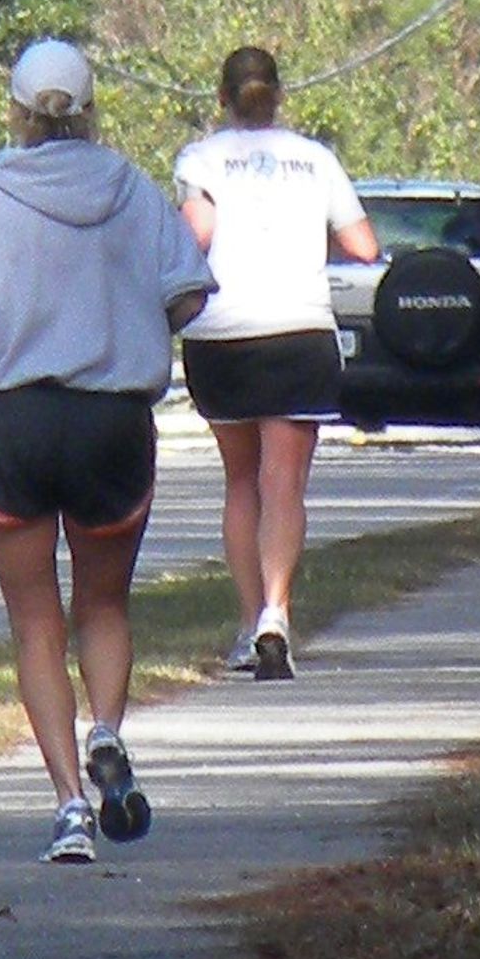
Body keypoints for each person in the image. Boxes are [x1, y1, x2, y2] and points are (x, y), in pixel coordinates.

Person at [0, 38, 215, 863]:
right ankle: (107, 730)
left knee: (35, 620)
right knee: (105, 606)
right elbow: (187, 295)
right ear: (90, 109)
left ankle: (70, 808)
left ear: (16, 109)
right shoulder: (135, 193)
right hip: (112, 424)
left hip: (13, 423)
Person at [172, 45, 380, 678]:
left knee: (241, 482)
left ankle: (245, 623)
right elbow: (364, 245)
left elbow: (195, 237)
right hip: (298, 330)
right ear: (279, 95)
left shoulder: (201, 159)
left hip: (222, 334)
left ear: (222, 98)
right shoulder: (315, 160)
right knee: (283, 483)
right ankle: (277, 615)